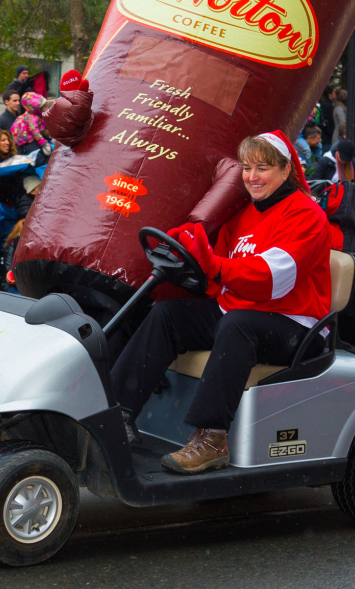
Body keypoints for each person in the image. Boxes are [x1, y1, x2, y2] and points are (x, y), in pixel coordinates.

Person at [111, 131, 330, 474]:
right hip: (244, 310)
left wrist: (216, 267)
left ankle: (212, 440)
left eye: (263, 168)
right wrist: (194, 261)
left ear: (286, 171)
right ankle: (118, 414)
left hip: (295, 323)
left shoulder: (306, 215)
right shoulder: (242, 214)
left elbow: (273, 279)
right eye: (246, 168)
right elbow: (219, 274)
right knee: (168, 315)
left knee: (237, 324)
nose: (252, 177)